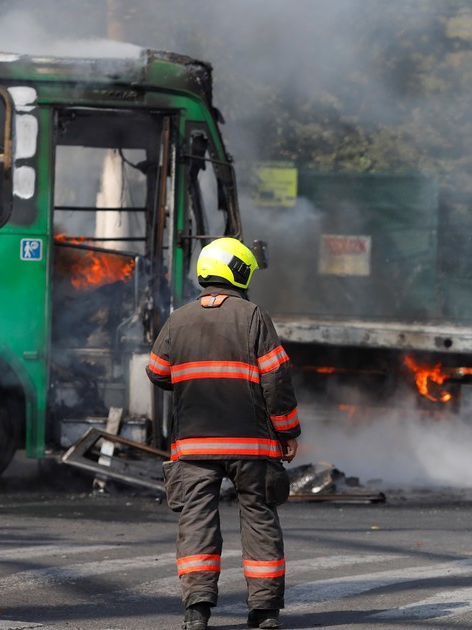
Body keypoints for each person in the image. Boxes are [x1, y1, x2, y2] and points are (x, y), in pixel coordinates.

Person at [147, 237, 302, 630]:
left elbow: (158, 372)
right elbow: (276, 379)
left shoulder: (178, 319)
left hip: (194, 445)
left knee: (196, 520)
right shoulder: (253, 317)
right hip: (251, 445)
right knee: (259, 518)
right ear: (239, 272)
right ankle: (264, 611)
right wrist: (287, 431)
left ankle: (196, 610)